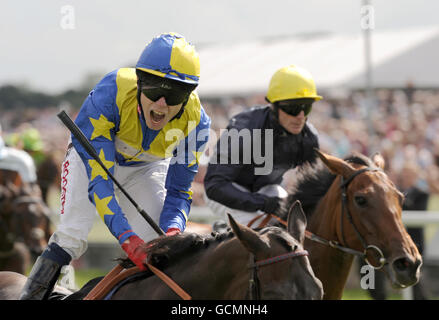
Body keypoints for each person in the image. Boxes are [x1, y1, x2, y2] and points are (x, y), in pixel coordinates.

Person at [19, 32, 211, 300]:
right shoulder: (111, 93)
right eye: (155, 89)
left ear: (189, 94)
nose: (162, 104)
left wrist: (173, 232)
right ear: (140, 82)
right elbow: (100, 182)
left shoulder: (197, 122)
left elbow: (179, 192)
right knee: (73, 233)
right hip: (93, 160)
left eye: (176, 93)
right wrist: (126, 238)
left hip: (147, 166)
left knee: (157, 239)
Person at [204, 64, 321, 226]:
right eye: (293, 108)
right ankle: (225, 233)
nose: (300, 116)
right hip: (225, 190)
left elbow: (314, 189)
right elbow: (215, 186)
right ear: (274, 106)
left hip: (267, 189)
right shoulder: (245, 128)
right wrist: (262, 203)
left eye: (306, 108)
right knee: (259, 232)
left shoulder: (308, 137)